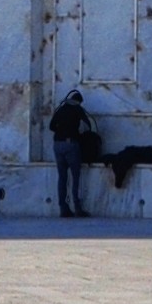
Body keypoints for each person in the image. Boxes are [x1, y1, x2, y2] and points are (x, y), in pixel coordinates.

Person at [49, 88, 103, 219]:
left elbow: (51, 126)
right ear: (78, 101)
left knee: (62, 178)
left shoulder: (61, 109)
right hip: (71, 145)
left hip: (57, 145)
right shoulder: (77, 109)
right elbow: (89, 125)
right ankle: (77, 208)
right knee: (75, 177)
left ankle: (63, 208)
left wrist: (61, 131)